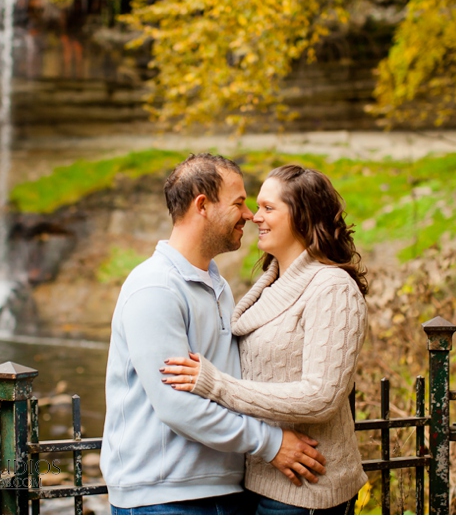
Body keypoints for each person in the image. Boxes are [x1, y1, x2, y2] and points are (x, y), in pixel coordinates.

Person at [101, 154, 327, 515]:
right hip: (165, 499)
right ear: (202, 205)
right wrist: (271, 444)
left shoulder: (217, 285)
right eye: (239, 203)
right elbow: (177, 406)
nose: (250, 215)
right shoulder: (155, 287)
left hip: (224, 491)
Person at [162, 164, 369, 515]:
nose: (255, 217)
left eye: (268, 208)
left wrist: (216, 386)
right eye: (257, 207)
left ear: (302, 218)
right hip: (257, 480)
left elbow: (321, 396)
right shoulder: (267, 285)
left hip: (308, 489)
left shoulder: (332, 288)